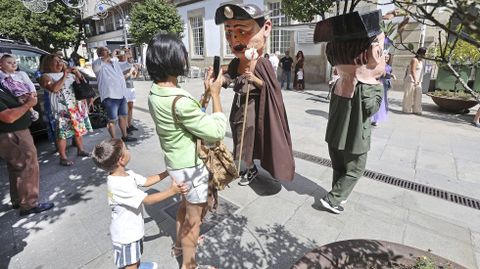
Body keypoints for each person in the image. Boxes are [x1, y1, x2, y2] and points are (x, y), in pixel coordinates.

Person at [146, 33, 224, 269]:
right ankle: (189, 265)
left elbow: (186, 118)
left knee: (184, 206)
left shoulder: (155, 92)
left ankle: (179, 246)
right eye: (182, 53)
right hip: (190, 168)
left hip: (175, 163)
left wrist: (206, 94)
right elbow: (216, 131)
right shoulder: (179, 99)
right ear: (171, 60)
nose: (185, 58)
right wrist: (218, 95)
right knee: (194, 220)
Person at [215, 3, 295, 185]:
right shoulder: (237, 62)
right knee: (238, 137)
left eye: (242, 32)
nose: (234, 40)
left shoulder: (262, 63)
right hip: (238, 105)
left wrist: (255, 80)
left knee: (248, 140)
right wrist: (221, 80)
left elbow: (270, 88)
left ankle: (250, 169)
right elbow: (230, 76)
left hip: (253, 108)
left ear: (266, 29)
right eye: (229, 33)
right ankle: (247, 166)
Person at [314, 10, 385, 214]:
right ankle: (334, 198)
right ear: (373, 53)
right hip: (355, 140)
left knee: (339, 167)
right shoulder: (370, 86)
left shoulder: (338, 82)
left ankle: (338, 193)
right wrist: (376, 86)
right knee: (356, 169)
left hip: (335, 136)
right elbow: (370, 109)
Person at [91, 138, 187, 269]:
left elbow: (146, 181)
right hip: (126, 236)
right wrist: (172, 191)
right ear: (121, 160)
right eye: (126, 149)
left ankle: (138, 265)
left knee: (135, 256)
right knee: (130, 263)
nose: (128, 150)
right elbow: (147, 200)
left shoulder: (126, 174)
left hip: (133, 229)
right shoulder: (118, 185)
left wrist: (166, 173)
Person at [0, 83, 54, 216]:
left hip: (13, 133)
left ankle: (18, 200)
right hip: (13, 134)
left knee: (16, 168)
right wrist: (28, 104)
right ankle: (29, 204)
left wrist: (21, 101)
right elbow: (8, 117)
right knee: (28, 167)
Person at [39, 54, 93, 166]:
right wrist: (65, 75)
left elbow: (83, 85)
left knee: (78, 130)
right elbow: (54, 88)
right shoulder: (46, 76)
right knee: (62, 134)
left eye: (60, 61)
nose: (59, 63)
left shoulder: (70, 74)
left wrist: (78, 74)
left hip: (75, 107)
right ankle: (63, 157)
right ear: (48, 64)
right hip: (61, 110)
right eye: (55, 61)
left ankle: (81, 150)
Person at [93, 47, 137, 142]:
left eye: (108, 50)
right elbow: (99, 64)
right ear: (100, 53)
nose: (108, 51)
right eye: (105, 50)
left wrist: (129, 56)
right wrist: (111, 55)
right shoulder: (97, 64)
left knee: (123, 116)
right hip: (110, 96)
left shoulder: (114, 62)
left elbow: (128, 65)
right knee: (112, 120)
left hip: (122, 94)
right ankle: (113, 140)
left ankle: (124, 136)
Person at [0, 54, 39, 121]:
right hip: (12, 95)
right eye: (9, 63)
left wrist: (33, 91)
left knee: (24, 100)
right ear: (1, 65)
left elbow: (29, 83)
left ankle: (32, 112)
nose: (13, 64)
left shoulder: (21, 74)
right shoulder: (2, 75)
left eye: (14, 62)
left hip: (23, 92)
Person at [117, 49, 139, 133]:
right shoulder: (117, 64)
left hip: (131, 87)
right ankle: (125, 127)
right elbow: (121, 78)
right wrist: (129, 73)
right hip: (123, 88)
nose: (125, 54)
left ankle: (129, 125)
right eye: (123, 53)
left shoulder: (129, 63)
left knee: (130, 107)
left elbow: (135, 76)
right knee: (124, 109)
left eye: (127, 53)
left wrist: (138, 70)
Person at [372, 53, 397, 126]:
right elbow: (381, 74)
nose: (386, 58)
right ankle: (375, 118)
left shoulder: (389, 66)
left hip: (386, 84)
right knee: (379, 99)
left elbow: (388, 74)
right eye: (385, 57)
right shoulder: (379, 65)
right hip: (379, 83)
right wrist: (391, 75)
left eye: (388, 57)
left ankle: (378, 117)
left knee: (384, 99)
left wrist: (390, 76)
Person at [402, 47, 426, 115]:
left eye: (424, 54)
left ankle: (417, 110)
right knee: (409, 95)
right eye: (422, 53)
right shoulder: (414, 60)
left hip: (418, 81)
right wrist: (415, 80)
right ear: (419, 53)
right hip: (411, 79)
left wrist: (419, 81)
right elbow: (412, 70)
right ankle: (407, 109)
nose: (423, 55)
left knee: (418, 95)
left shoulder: (421, 61)